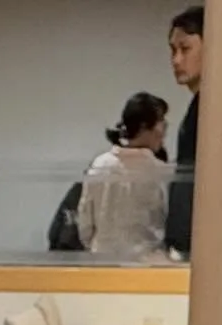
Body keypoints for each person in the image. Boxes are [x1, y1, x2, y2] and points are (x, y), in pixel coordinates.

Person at [77, 93, 169, 258]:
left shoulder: (100, 164)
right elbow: (163, 223)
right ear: (143, 127)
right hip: (145, 265)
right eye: (161, 122)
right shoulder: (159, 172)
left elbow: (85, 223)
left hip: (101, 261)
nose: (164, 131)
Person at [165, 5, 203, 258]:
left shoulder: (214, 109)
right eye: (173, 51)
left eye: (186, 49)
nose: (176, 60)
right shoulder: (198, 105)